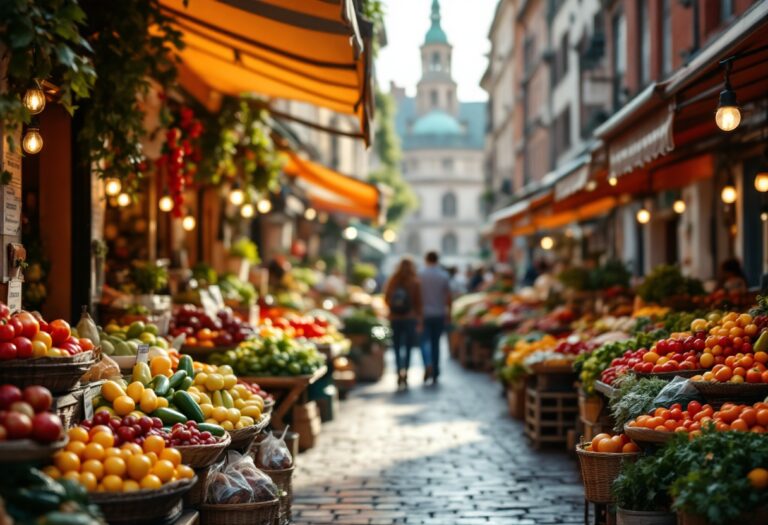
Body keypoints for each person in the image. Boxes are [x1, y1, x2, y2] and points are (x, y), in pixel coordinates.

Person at [384, 257, 422, 390]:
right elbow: (418, 302)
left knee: (397, 346)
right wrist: (419, 318)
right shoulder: (415, 281)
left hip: (395, 318)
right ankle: (405, 370)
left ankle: (398, 369)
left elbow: (387, 297)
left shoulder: (393, 280)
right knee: (408, 347)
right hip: (410, 318)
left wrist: (393, 309)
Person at [419, 251, 452, 384]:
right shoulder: (443, 275)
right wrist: (449, 313)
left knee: (423, 342)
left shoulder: (420, 274)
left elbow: (417, 297)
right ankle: (436, 370)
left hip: (423, 314)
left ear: (426, 259)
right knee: (435, 343)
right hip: (439, 313)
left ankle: (428, 363)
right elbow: (448, 296)